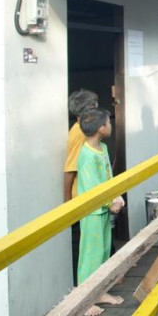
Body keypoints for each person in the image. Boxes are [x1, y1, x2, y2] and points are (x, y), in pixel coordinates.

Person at [76, 108, 125, 316]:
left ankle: (100, 292)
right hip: (93, 212)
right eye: (109, 123)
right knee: (91, 255)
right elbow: (93, 186)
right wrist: (109, 202)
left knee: (104, 251)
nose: (111, 126)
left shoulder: (103, 148)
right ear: (101, 129)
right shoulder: (86, 155)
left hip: (103, 209)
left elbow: (108, 177)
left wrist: (117, 195)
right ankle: (84, 301)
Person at [64, 89, 99, 284]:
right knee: (84, 245)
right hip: (81, 197)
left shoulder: (84, 131)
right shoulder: (78, 133)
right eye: (94, 107)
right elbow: (69, 170)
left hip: (89, 196)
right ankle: (85, 285)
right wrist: (66, 202)